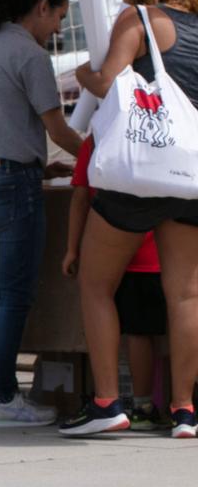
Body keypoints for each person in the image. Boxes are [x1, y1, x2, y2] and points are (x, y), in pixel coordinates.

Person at [60, 0, 198, 439]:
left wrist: (83, 77)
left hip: (141, 174)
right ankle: (184, 409)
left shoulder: (140, 18)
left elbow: (109, 80)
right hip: (190, 176)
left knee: (97, 285)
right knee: (184, 294)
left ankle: (106, 402)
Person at [0, 0, 82, 428]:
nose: (58, 27)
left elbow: (3, 122)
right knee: (14, 297)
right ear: (41, 7)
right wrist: (98, 153)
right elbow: (57, 127)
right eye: (58, 16)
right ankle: (4, 397)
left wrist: (38, 162)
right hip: (15, 186)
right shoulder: (29, 55)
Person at [65, 136, 167, 430]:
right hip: (156, 252)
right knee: (146, 331)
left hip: (119, 252)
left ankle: (115, 400)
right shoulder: (164, 134)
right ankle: (164, 403)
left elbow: (80, 198)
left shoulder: (96, 139)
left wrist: (72, 248)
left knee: (121, 322)